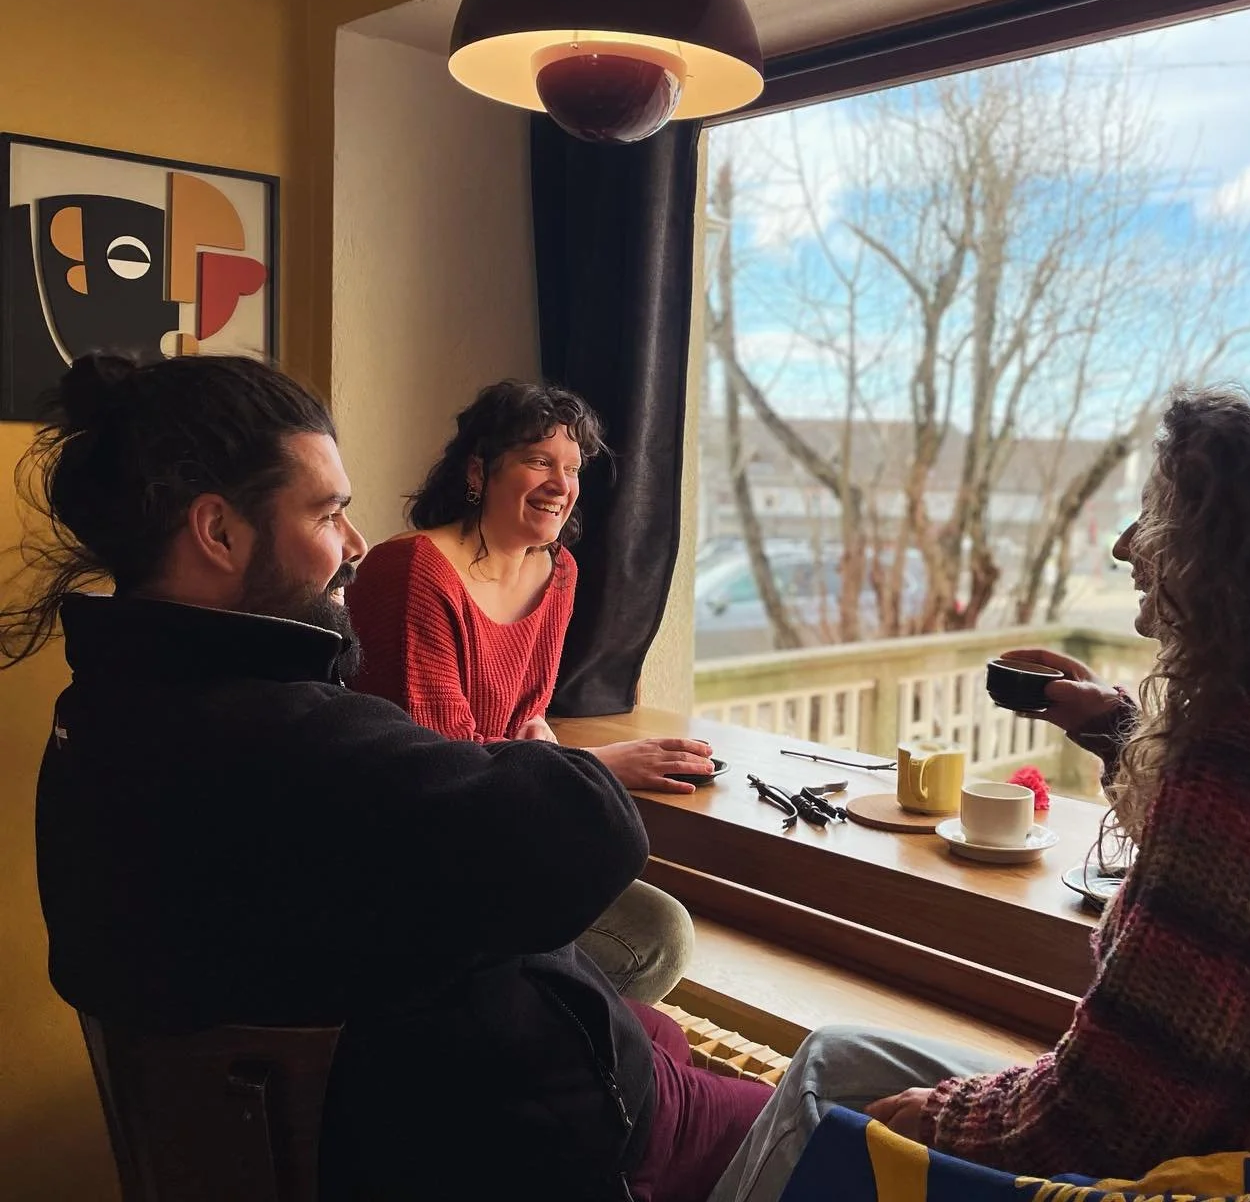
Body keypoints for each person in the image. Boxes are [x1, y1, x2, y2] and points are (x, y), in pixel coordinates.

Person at [14, 352, 769, 1202]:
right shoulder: (288, 738)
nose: (355, 545)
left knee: (655, 1028)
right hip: (495, 1134)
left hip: (362, 1108)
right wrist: (539, 757)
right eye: (329, 512)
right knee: (807, 1109)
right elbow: (591, 831)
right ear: (219, 532)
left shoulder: (105, 713)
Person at [709, 388, 1250, 1202]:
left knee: (834, 1071)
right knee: (843, 1054)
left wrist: (940, 1119)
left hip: (1233, 1173)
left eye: (1159, 520)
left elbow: (1116, 1114)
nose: (1128, 547)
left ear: (1246, 563)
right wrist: (1120, 732)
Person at [346, 379, 703, 1003]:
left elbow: (526, 720)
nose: (561, 485)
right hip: (411, 859)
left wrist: (543, 751)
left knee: (662, 929)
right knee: (641, 937)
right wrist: (587, 765)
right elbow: (439, 765)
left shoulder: (557, 570)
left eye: (572, 468)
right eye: (539, 461)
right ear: (480, 471)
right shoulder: (410, 570)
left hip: (499, 828)